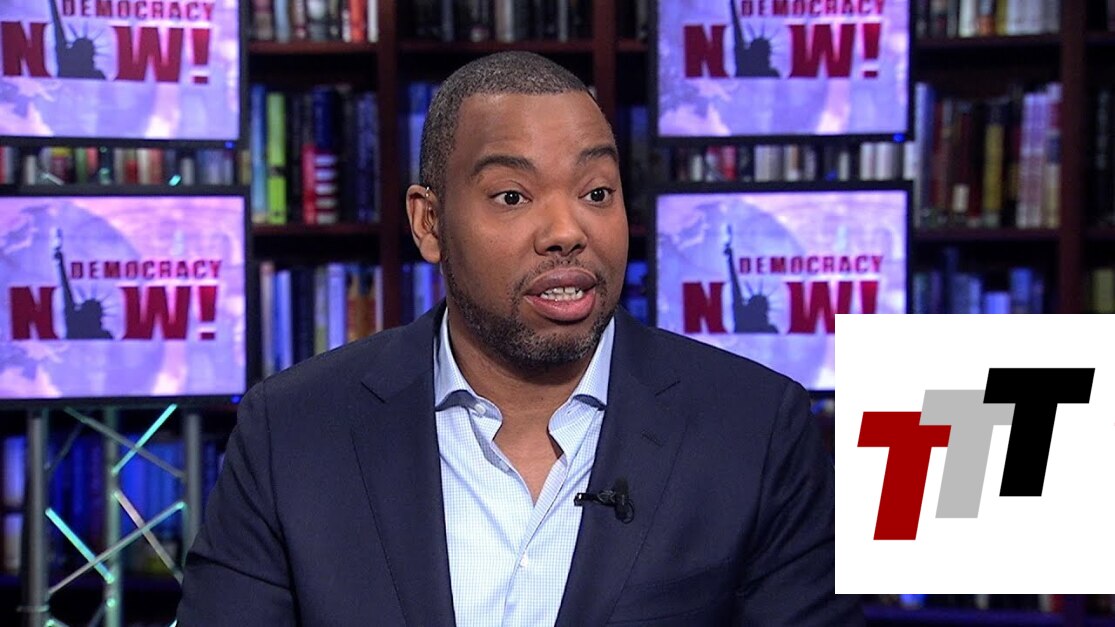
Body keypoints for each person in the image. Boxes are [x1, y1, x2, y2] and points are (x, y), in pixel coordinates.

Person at [177, 51, 861, 626]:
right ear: (429, 223)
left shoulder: (755, 429)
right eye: (512, 196)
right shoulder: (293, 431)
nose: (566, 231)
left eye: (597, 192)